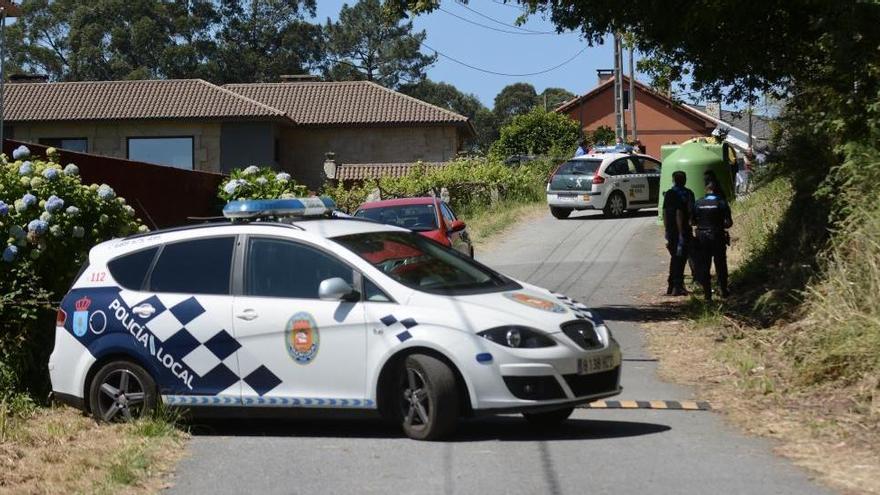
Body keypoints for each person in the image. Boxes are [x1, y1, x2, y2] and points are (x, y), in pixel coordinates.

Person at [692, 180, 733, 301]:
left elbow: (692, 221)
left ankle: (707, 294)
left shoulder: (698, 203)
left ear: (707, 190)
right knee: (720, 263)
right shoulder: (721, 202)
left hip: (702, 237)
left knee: (704, 264)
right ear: (717, 190)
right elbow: (728, 223)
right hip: (717, 235)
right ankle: (723, 290)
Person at [663, 171, 695, 296]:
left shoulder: (669, 193)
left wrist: (666, 229)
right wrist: (682, 232)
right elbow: (681, 213)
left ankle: (672, 285)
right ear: (685, 180)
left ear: (674, 180)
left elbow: (665, 212)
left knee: (675, 258)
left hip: (671, 230)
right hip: (682, 230)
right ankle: (677, 285)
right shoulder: (687, 193)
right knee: (680, 259)